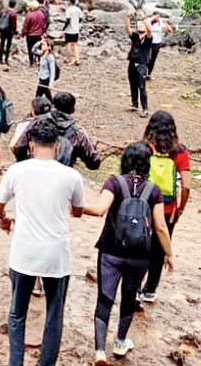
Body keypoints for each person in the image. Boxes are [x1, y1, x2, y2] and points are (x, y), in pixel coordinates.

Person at [0, 120, 86, 366]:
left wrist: (5, 219)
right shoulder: (71, 176)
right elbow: (77, 210)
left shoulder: (17, 171)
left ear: (32, 145)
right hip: (56, 255)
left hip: (23, 253)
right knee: (54, 315)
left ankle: (16, 362)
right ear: (57, 147)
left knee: (17, 313)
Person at [79, 142, 176, 365]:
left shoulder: (114, 182)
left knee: (105, 298)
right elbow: (160, 227)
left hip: (110, 252)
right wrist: (170, 255)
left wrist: (75, 206)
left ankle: (100, 351)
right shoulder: (154, 190)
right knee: (129, 297)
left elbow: (99, 209)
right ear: (147, 163)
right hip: (140, 255)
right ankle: (121, 341)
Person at [140, 110, 192, 303]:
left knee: (141, 246)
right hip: (168, 208)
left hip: (144, 205)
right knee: (160, 249)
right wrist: (181, 208)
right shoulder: (179, 152)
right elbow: (186, 185)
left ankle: (136, 286)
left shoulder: (145, 148)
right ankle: (150, 290)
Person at [126, 16, 152, 117]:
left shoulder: (149, 38)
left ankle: (145, 109)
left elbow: (149, 30)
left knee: (142, 86)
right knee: (132, 84)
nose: (140, 26)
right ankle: (134, 104)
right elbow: (127, 28)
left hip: (142, 65)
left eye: (143, 25)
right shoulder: (135, 36)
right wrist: (128, 17)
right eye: (139, 24)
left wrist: (144, 18)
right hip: (132, 63)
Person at [147, 12, 174, 78]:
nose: (157, 18)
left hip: (157, 43)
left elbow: (170, 30)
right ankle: (143, 73)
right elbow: (145, 25)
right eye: (156, 17)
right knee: (147, 58)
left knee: (153, 60)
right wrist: (152, 19)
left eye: (158, 17)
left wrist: (165, 23)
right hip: (148, 43)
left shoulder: (161, 23)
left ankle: (148, 74)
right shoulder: (148, 21)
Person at [23, 2, 48, 67]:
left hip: (30, 35)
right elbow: (44, 24)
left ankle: (31, 62)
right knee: (39, 48)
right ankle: (39, 61)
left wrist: (23, 33)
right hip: (39, 34)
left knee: (30, 48)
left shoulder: (29, 15)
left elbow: (26, 25)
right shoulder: (42, 14)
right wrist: (43, 31)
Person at [62, 0, 83, 66]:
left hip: (69, 30)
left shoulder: (69, 10)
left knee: (69, 44)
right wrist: (77, 23)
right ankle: (77, 59)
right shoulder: (78, 9)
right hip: (76, 29)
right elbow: (81, 18)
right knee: (75, 44)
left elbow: (68, 20)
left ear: (69, 2)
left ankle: (68, 59)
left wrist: (63, 28)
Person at [0, 0, 19, 70]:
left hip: (2, 30)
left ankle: (0, 59)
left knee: (2, 44)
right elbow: (14, 24)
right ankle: (6, 59)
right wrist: (15, 31)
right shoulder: (13, 13)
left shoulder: (2, 11)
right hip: (9, 31)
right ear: (14, 5)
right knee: (8, 45)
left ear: (9, 3)